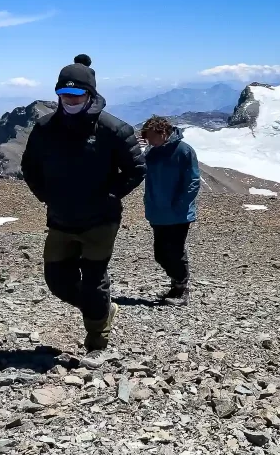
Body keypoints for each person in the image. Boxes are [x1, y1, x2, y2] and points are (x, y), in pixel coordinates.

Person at [21, 55, 146, 351]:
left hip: (100, 221)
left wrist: (110, 195)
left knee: (93, 280)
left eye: (76, 94)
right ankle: (101, 309)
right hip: (61, 219)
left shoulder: (114, 129)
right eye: (64, 94)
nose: (70, 99)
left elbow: (136, 169)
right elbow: (30, 167)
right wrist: (47, 196)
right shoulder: (45, 128)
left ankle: (96, 337)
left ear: (89, 94)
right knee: (57, 281)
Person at [140, 115, 201, 305]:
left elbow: (192, 181)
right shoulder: (152, 153)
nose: (149, 141)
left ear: (163, 132)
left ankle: (182, 290)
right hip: (158, 213)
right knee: (160, 253)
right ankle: (176, 286)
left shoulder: (183, 151)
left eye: (151, 136)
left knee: (174, 251)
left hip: (178, 214)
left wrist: (180, 205)